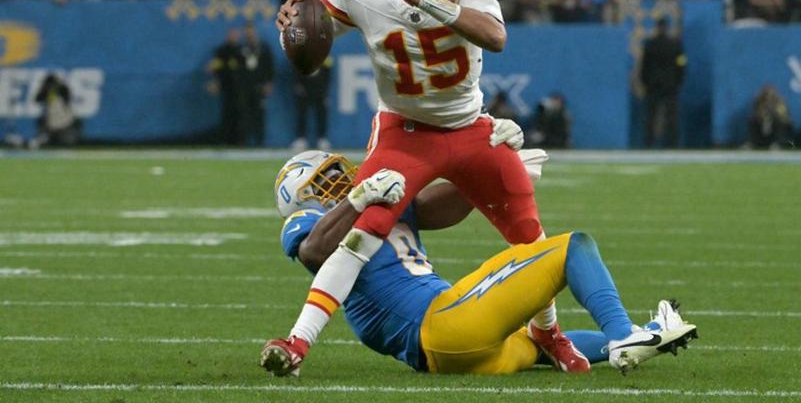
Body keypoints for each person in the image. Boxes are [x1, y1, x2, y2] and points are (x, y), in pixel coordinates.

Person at [272, 0, 564, 375]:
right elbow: (309, 36)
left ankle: (551, 335)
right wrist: (293, 24)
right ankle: (298, 342)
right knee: (365, 227)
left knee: (527, 230)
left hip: (468, 124)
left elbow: (495, 36)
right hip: (404, 128)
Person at [261, 150, 698, 376]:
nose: (343, 180)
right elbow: (316, 251)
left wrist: (496, 165)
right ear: (304, 197)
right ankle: (624, 336)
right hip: (441, 324)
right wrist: (358, 199)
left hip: (453, 351)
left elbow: (446, 203)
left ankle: (645, 336)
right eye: (328, 179)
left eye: (340, 173)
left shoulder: (379, 200)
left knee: (537, 347)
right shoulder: (309, 221)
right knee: (572, 247)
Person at [640, 17, 686, 148]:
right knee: (671, 117)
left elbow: (644, 66)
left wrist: (645, 82)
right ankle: (672, 144)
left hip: (653, 85)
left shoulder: (650, 44)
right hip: (670, 84)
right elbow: (681, 64)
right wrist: (678, 81)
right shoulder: (675, 45)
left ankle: (648, 144)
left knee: (651, 117)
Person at [239, 22, 275, 146]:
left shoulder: (263, 48)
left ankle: (260, 141)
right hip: (245, 86)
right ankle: (244, 141)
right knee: (245, 114)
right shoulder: (241, 49)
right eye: (247, 31)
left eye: (251, 31)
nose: (249, 34)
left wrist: (269, 82)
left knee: (259, 114)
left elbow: (270, 66)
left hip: (259, 86)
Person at [207, 27, 244, 145]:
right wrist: (215, 82)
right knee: (227, 113)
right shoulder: (222, 51)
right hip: (226, 88)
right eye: (231, 35)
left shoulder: (242, 50)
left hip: (240, 88)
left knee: (240, 114)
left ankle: (239, 141)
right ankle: (225, 140)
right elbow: (213, 68)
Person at [290, 57, 333, 152]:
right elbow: (295, 68)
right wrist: (298, 83)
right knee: (302, 113)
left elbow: (327, 72)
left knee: (321, 114)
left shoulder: (324, 53)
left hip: (319, 89)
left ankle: (322, 138)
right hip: (304, 88)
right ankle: (301, 138)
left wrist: (325, 90)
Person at [31, 73, 81, 148]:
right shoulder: (46, 92)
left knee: (67, 144)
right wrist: (45, 89)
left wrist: (55, 88)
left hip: (65, 124)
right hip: (51, 124)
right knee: (46, 143)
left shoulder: (62, 89)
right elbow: (37, 99)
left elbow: (67, 96)